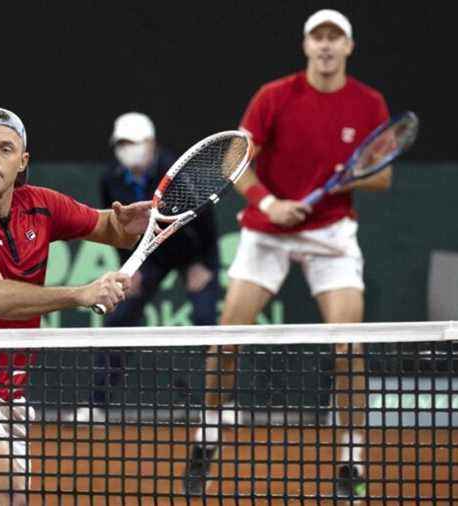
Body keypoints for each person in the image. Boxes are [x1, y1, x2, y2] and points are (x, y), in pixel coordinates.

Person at [185, 10, 391, 498]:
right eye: (317, 37)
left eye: (334, 38)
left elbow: (383, 174)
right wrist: (271, 204)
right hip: (268, 231)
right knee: (226, 342)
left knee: (349, 349)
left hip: (332, 235)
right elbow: (236, 157)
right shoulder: (274, 96)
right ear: (305, 46)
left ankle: (351, 457)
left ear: (348, 47)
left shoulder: (369, 103)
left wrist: (348, 176)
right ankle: (207, 438)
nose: (325, 46)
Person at [0, 107, 151, 506]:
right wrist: (79, 294)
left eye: (5, 149)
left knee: (0, 498)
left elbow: (109, 228)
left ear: (22, 162)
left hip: (8, 390)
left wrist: (132, 223)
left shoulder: (40, 205)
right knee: (4, 486)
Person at [67, 112, 221, 423]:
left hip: (193, 253)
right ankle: (96, 405)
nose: (127, 149)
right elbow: (115, 228)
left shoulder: (177, 171)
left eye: (133, 143)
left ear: (150, 144)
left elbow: (205, 222)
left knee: (208, 322)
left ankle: (218, 407)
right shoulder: (110, 177)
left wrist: (204, 265)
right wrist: (128, 268)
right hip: (150, 257)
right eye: (121, 143)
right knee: (118, 321)